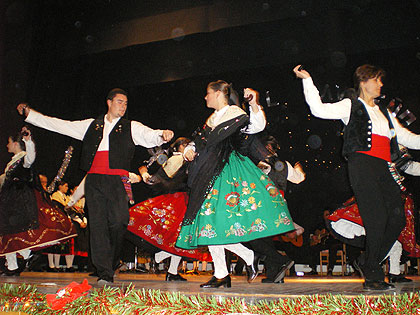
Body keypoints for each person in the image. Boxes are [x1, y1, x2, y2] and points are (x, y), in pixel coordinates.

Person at [17, 88, 174, 285]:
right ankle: (104, 272)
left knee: (119, 222)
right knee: (98, 226)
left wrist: (162, 134)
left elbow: (150, 135)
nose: (123, 106)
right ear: (109, 103)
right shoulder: (92, 125)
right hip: (95, 181)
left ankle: (112, 261)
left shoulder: (130, 126)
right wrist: (31, 114)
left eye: (125, 103)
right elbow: (60, 125)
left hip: (117, 181)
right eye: (119, 102)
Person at [294, 64, 420, 290]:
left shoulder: (385, 112)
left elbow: (408, 138)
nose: (381, 84)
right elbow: (318, 109)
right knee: (377, 219)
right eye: (377, 80)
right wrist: (307, 80)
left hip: (384, 167)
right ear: (363, 81)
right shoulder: (350, 105)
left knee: (397, 219)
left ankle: (367, 261)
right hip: (362, 165)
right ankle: (372, 274)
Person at [176, 81, 295, 288]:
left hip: (226, 173)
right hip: (208, 172)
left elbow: (256, 126)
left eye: (208, 94)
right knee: (209, 223)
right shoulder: (212, 118)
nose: (205, 98)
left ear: (219, 94)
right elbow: (200, 140)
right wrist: (190, 148)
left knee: (212, 222)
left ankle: (235, 264)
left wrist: (255, 103)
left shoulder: (234, 113)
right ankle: (229, 268)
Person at [126, 137, 211, 281]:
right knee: (179, 236)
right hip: (178, 201)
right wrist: (147, 176)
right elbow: (161, 179)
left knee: (178, 237)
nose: (189, 148)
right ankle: (164, 257)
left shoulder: (182, 160)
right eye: (186, 145)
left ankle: (171, 270)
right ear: (180, 147)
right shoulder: (177, 159)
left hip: (182, 199)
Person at [0, 127, 76, 275]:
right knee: (8, 233)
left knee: (16, 231)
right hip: (9, 202)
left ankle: (24, 256)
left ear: (16, 143)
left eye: (9, 142)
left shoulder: (23, 158)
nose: (7, 145)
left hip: (19, 202)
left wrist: (28, 142)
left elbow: (30, 159)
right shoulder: (12, 163)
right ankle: (13, 265)